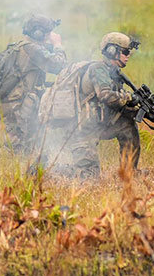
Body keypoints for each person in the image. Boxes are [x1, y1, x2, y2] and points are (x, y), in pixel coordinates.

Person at [38, 32, 140, 179]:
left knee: (128, 125)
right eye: (125, 51)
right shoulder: (98, 69)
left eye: (129, 52)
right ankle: (50, 171)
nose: (128, 55)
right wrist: (130, 97)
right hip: (81, 131)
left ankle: (129, 172)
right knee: (89, 177)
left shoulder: (112, 72)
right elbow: (106, 96)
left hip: (97, 125)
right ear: (112, 51)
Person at [0, 15, 66, 152]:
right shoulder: (33, 50)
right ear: (39, 33)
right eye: (48, 33)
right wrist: (58, 45)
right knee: (16, 152)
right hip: (16, 107)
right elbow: (58, 65)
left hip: (14, 104)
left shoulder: (23, 46)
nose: (50, 36)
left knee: (30, 149)